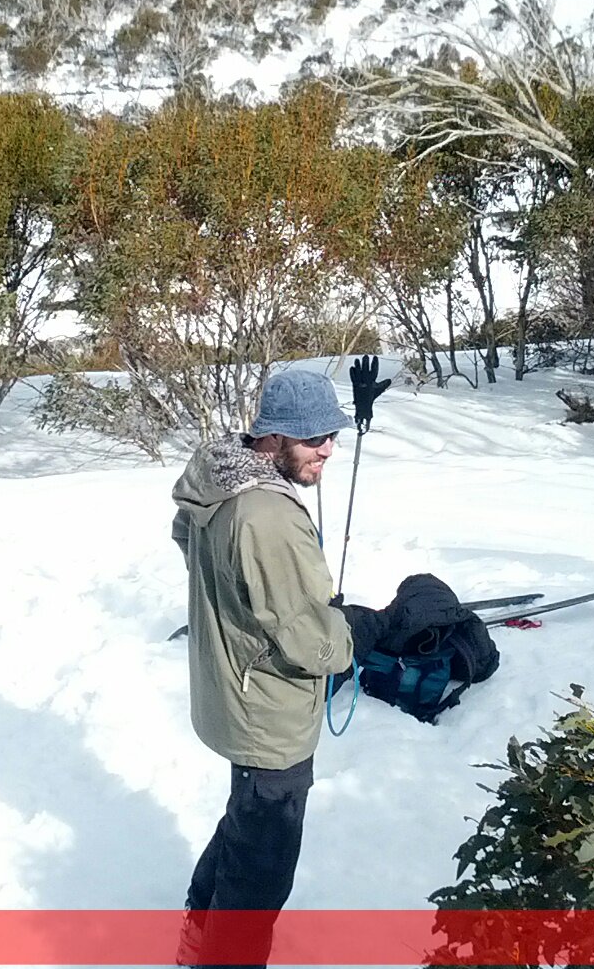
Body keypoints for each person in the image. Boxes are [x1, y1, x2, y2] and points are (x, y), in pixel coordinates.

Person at [171, 367, 381, 966]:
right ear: (275, 438)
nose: (328, 450)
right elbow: (310, 639)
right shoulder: (268, 515)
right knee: (262, 873)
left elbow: (189, 540)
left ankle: (197, 932)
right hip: (268, 713)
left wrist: (238, 608)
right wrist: (348, 637)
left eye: (333, 435)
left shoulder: (217, 478)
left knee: (246, 821)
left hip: (231, 692)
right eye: (316, 438)